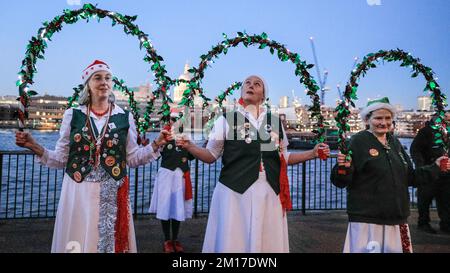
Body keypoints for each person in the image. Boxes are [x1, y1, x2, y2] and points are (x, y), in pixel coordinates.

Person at [15, 60, 171, 253]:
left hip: (113, 191)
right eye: (97, 78)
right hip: (78, 192)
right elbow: (62, 159)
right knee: (78, 242)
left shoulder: (125, 116)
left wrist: (156, 144)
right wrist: (34, 146)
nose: (104, 82)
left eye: (107, 78)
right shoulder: (73, 115)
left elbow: (132, 158)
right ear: (88, 84)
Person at [176, 75, 330, 253]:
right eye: (247, 83)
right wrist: (190, 146)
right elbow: (211, 155)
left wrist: (313, 153)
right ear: (242, 91)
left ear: (263, 95)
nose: (251, 86)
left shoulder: (273, 122)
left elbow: (283, 157)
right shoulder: (226, 119)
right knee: (233, 243)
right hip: (233, 193)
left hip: (268, 191)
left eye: (257, 84)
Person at [330, 97, 449, 253]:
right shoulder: (357, 141)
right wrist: (342, 168)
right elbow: (340, 181)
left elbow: (410, 177)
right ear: (367, 119)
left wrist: (435, 167)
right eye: (378, 118)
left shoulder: (395, 142)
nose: (384, 122)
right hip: (367, 221)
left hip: (397, 220)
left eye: (388, 118)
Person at [149, 110, 194, 253]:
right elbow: (154, 152)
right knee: (165, 207)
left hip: (180, 177)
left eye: (177, 119)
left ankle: (175, 239)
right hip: (166, 176)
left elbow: (193, 155)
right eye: (173, 119)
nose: (175, 122)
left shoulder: (186, 138)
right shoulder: (164, 137)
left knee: (177, 207)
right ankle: (167, 239)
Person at [410, 111, 450, 234]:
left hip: (446, 173)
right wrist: (422, 166)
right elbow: (415, 149)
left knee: (446, 199)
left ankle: (446, 224)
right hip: (429, 171)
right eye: (446, 119)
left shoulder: (447, 133)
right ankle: (423, 223)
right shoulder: (426, 132)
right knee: (425, 199)